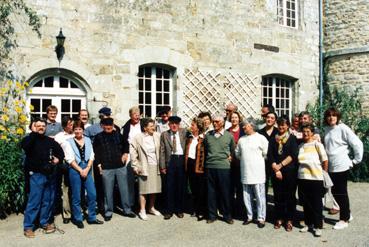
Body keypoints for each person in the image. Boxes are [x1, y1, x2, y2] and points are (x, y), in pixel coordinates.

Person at [21, 118, 64, 238]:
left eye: (43, 126)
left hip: (49, 174)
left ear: (45, 127)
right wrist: (34, 134)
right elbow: (25, 147)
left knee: (47, 201)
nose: (41, 128)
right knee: (34, 201)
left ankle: (44, 222)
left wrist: (58, 159)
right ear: (34, 127)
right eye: (38, 126)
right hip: (36, 175)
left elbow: (60, 152)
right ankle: (28, 227)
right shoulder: (29, 139)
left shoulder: (49, 141)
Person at [324, 107, 363, 230]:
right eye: (329, 116)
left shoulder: (343, 128)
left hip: (341, 164)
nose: (331, 118)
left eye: (334, 115)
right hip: (331, 165)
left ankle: (344, 219)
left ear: (337, 117)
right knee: (335, 191)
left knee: (341, 192)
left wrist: (356, 160)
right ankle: (347, 213)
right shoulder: (326, 129)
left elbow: (357, 143)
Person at [93, 117, 136, 221]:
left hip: (120, 166)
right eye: (106, 125)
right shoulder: (98, 137)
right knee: (108, 191)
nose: (108, 127)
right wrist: (98, 165)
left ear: (113, 126)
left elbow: (126, 144)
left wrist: (125, 154)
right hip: (106, 167)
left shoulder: (118, 135)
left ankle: (127, 210)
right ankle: (108, 212)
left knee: (124, 189)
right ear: (102, 126)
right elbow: (96, 152)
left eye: (110, 125)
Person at [64, 120, 103, 228]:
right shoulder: (68, 142)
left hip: (87, 167)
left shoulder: (88, 140)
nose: (77, 131)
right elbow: (69, 159)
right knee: (76, 195)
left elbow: (91, 155)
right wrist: (80, 170)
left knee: (92, 193)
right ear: (73, 130)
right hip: (75, 168)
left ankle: (92, 217)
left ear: (83, 130)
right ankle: (78, 218)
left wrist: (87, 168)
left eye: (80, 129)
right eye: (75, 129)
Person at [235, 117, 269, 228]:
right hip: (245, 172)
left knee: (260, 197)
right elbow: (237, 154)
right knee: (247, 197)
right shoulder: (241, 140)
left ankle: (261, 218)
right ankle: (249, 216)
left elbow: (266, 153)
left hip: (258, 173)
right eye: (243, 125)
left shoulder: (261, 138)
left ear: (252, 126)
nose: (243, 127)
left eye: (245, 125)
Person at [267, 116, 298, 232]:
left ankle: (289, 220)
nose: (281, 126)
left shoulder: (292, 138)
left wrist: (280, 166)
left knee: (290, 196)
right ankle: (279, 218)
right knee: (278, 196)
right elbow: (270, 155)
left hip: (289, 171)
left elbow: (293, 155)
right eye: (279, 124)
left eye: (284, 124)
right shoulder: (273, 139)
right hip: (276, 172)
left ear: (288, 126)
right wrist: (276, 168)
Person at [297, 123, 328, 237]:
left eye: (308, 131)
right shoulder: (300, 146)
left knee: (316, 203)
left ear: (312, 133)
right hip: (303, 177)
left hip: (315, 177)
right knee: (306, 203)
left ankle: (318, 226)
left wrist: (324, 173)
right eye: (304, 131)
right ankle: (308, 223)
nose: (305, 133)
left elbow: (325, 160)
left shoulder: (317, 145)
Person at [204, 114, 235, 224]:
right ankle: (212, 215)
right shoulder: (208, 135)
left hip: (223, 167)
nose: (214, 123)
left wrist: (228, 158)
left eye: (217, 121)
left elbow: (232, 150)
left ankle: (227, 215)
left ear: (222, 123)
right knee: (211, 192)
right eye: (214, 121)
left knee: (225, 192)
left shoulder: (229, 136)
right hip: (210, 166)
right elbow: (206, 149)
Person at [130, 118, 162, 220]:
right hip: (143, 166)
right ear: (145, 128)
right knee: (143, 190)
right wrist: (135, 166)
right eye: (151, 126)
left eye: (154, 125)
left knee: (154, 189)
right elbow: (133, 152)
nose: (153, 127)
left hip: (155, 166)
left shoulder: (158, 136)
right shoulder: (137, 138)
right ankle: (142, 210)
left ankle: (151, 208)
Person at [84, 106, 113, 214]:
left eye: (109, 114)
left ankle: (109, 206)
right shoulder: (91, 129)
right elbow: (85, 142)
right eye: (105, 115)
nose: (107, 116)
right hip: (98, 160)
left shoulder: (113, 127)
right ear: (101, 116)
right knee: (99, 184)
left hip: (110, 160)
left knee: (109, 184)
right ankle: (100, 206)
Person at [159, 116, 187, 220]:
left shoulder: (184, 132)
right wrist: (162, 166)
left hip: (181, 160)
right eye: (172, 123)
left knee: (180, 186)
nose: (174, 125)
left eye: (176, 123)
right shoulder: (164, 134)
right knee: (169, 187)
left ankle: (179, 210)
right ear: (169, 124)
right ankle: (168, 211)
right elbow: (161, 151)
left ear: (179, 125)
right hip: (169, 161)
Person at [122, 106, 144, 209]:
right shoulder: (126, 126)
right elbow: (124, 141)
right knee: (129, 179)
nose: (137, 116)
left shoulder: (143, 124)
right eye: (134, 114)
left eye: (138, 114)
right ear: (130, 116)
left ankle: (143, 204)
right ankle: (130, 203)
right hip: (130, 153)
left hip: (142, 153)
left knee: (142, 178)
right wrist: (125, 153)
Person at [184, 117, 206, 221]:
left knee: (200, 189)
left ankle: (201, 211)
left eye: (193, 125)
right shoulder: (189, 138)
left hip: (200, 166)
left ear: (198, 127)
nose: (191, 127)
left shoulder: (204, 138)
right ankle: (194, 209)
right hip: (190, 164)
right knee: (192, 188)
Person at [54, 116, 74, 224]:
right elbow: (55, 151)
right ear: (64, 126)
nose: (72, 126)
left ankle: (77, 212)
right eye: (70, 124)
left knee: (76, 189)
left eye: (72, 124)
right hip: (65, 165)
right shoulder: (59, 136)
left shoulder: (77, 133)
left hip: (77, 164)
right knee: (65, 189)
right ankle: (67, 214)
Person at [227, 111, 245, 219]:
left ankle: (240, 211)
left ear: (239, 119)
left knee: (240, 188)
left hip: (241, 163)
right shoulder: (227, 131)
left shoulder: (243, 131)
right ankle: (231, 211)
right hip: (230, 163)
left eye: (236, 117)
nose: (234, 119)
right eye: (232, 117)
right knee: (230, 188)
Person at [258, 111, 278, 206]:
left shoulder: (278, 132)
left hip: (275, 164)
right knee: (263, 188)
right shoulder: (260, 133)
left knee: (277, 188)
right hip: (263, 164)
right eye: (268, 117)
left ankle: (278, 213)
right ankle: (263, 211)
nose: (269, 119)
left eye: (272, 118)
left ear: (275, 121)